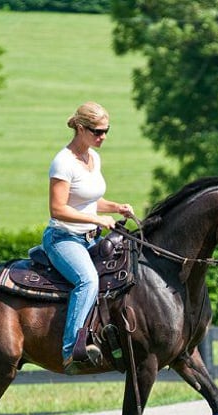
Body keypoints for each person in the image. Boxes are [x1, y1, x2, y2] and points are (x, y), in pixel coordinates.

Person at [41, 101, 134, 375]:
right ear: (80, 128)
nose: (102, 136)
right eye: (96, 131)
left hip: (91, 237)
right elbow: (58, 208)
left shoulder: (94, 157)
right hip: (63, 239)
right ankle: (72, 351)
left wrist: (116, 207)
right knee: (87, 280)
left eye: (106, 131)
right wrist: (96, 219)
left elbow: (90, 199)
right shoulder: (63, 162)